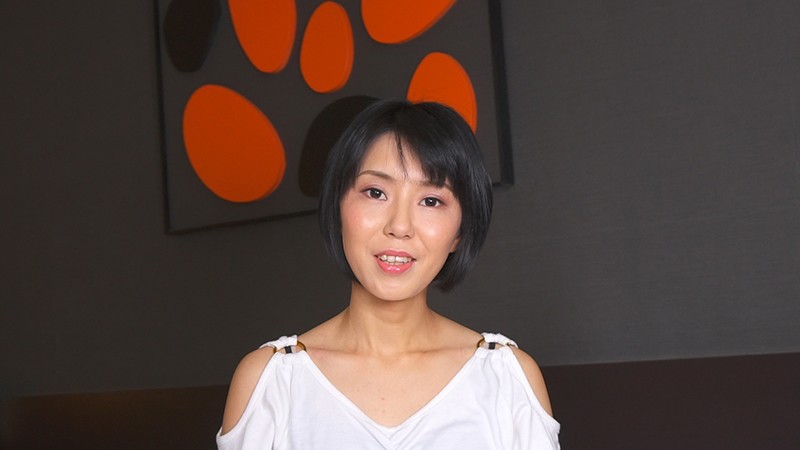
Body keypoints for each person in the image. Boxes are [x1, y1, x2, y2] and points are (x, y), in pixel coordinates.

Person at [217, 100, 560, 449]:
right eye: (376, 193)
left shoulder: (506, 378)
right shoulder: (272, 381)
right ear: (338, 206)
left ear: (460, 231)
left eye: (431, 201)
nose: (399, 226)